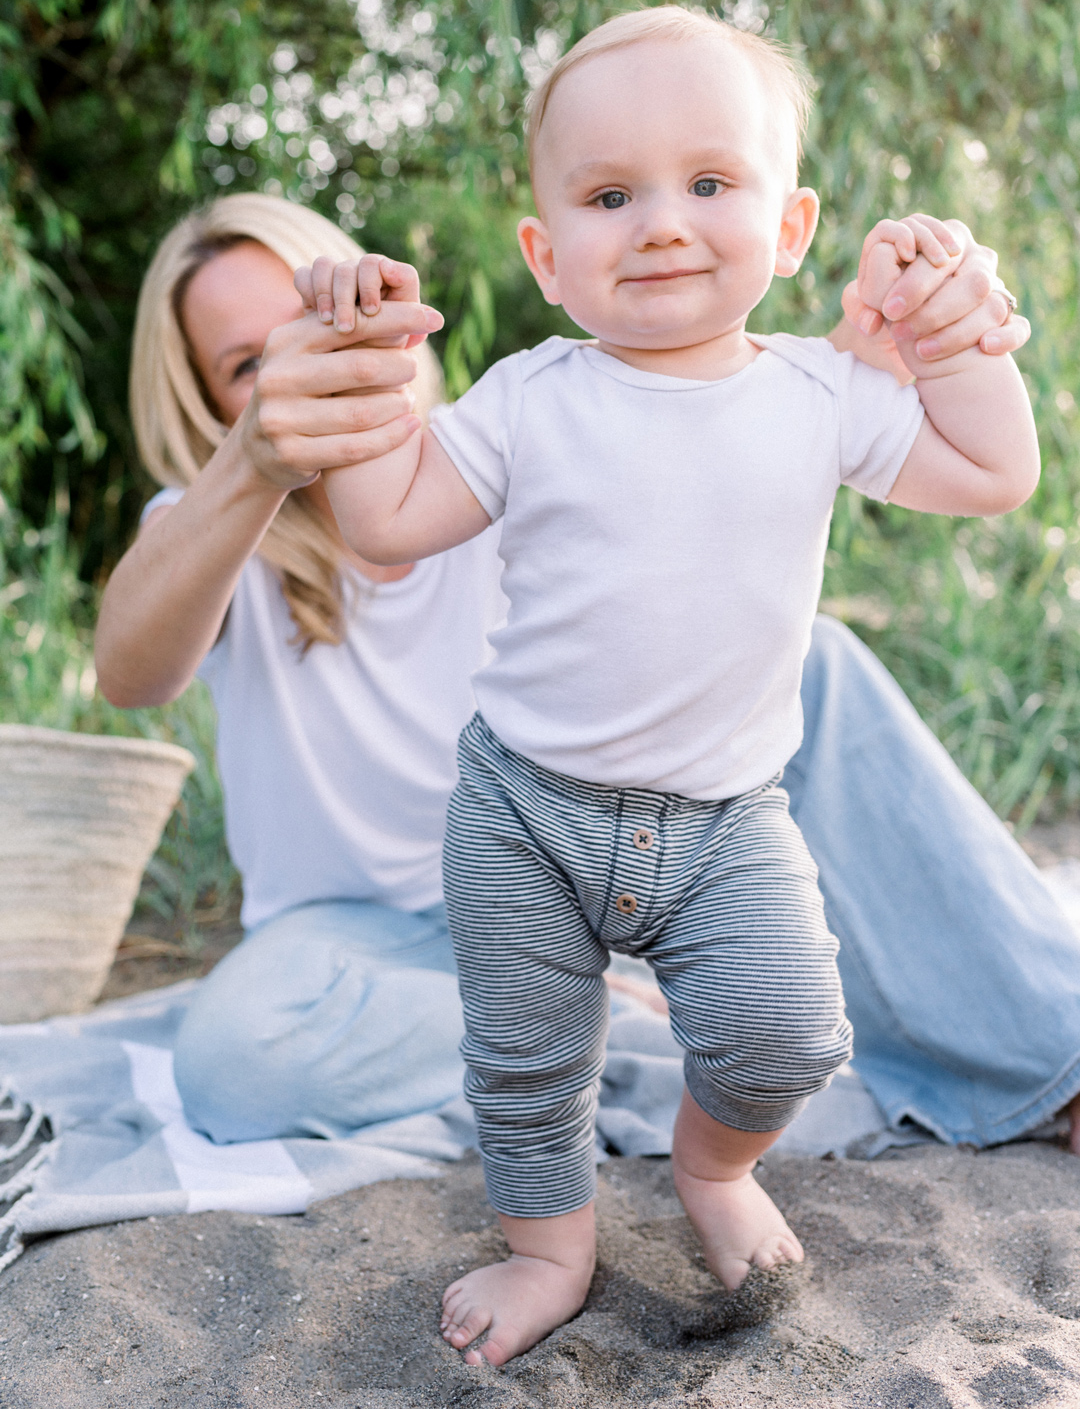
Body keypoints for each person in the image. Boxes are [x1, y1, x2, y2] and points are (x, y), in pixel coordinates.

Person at [94, 181, 1077, 1338]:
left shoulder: (513, 436)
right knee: (232, 1058)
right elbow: (131, 670)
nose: (297, 374)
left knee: (815, 659)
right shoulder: (217, 518)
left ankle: (1052, 1050)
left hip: (617, 838)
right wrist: (254, 465)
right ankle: (613, 1024)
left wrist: (855, 375)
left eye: (312, 328)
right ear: (209, 407)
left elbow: (724, 480)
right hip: (361, 938)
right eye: (246, 365)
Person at [299, 7, 1040, 1363]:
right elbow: (390, 520)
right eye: (608, 194)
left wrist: (955, 344)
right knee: (527, 1062)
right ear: (546, 254)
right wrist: (363, 389)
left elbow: (993, 475)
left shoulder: (821, 394)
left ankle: (711, 1167)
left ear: (794, 224)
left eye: (710, 183)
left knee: (787, 1031)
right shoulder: (531, 397)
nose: (659, 223)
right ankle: (550, 1251)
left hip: (723, 817)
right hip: (528, 803)